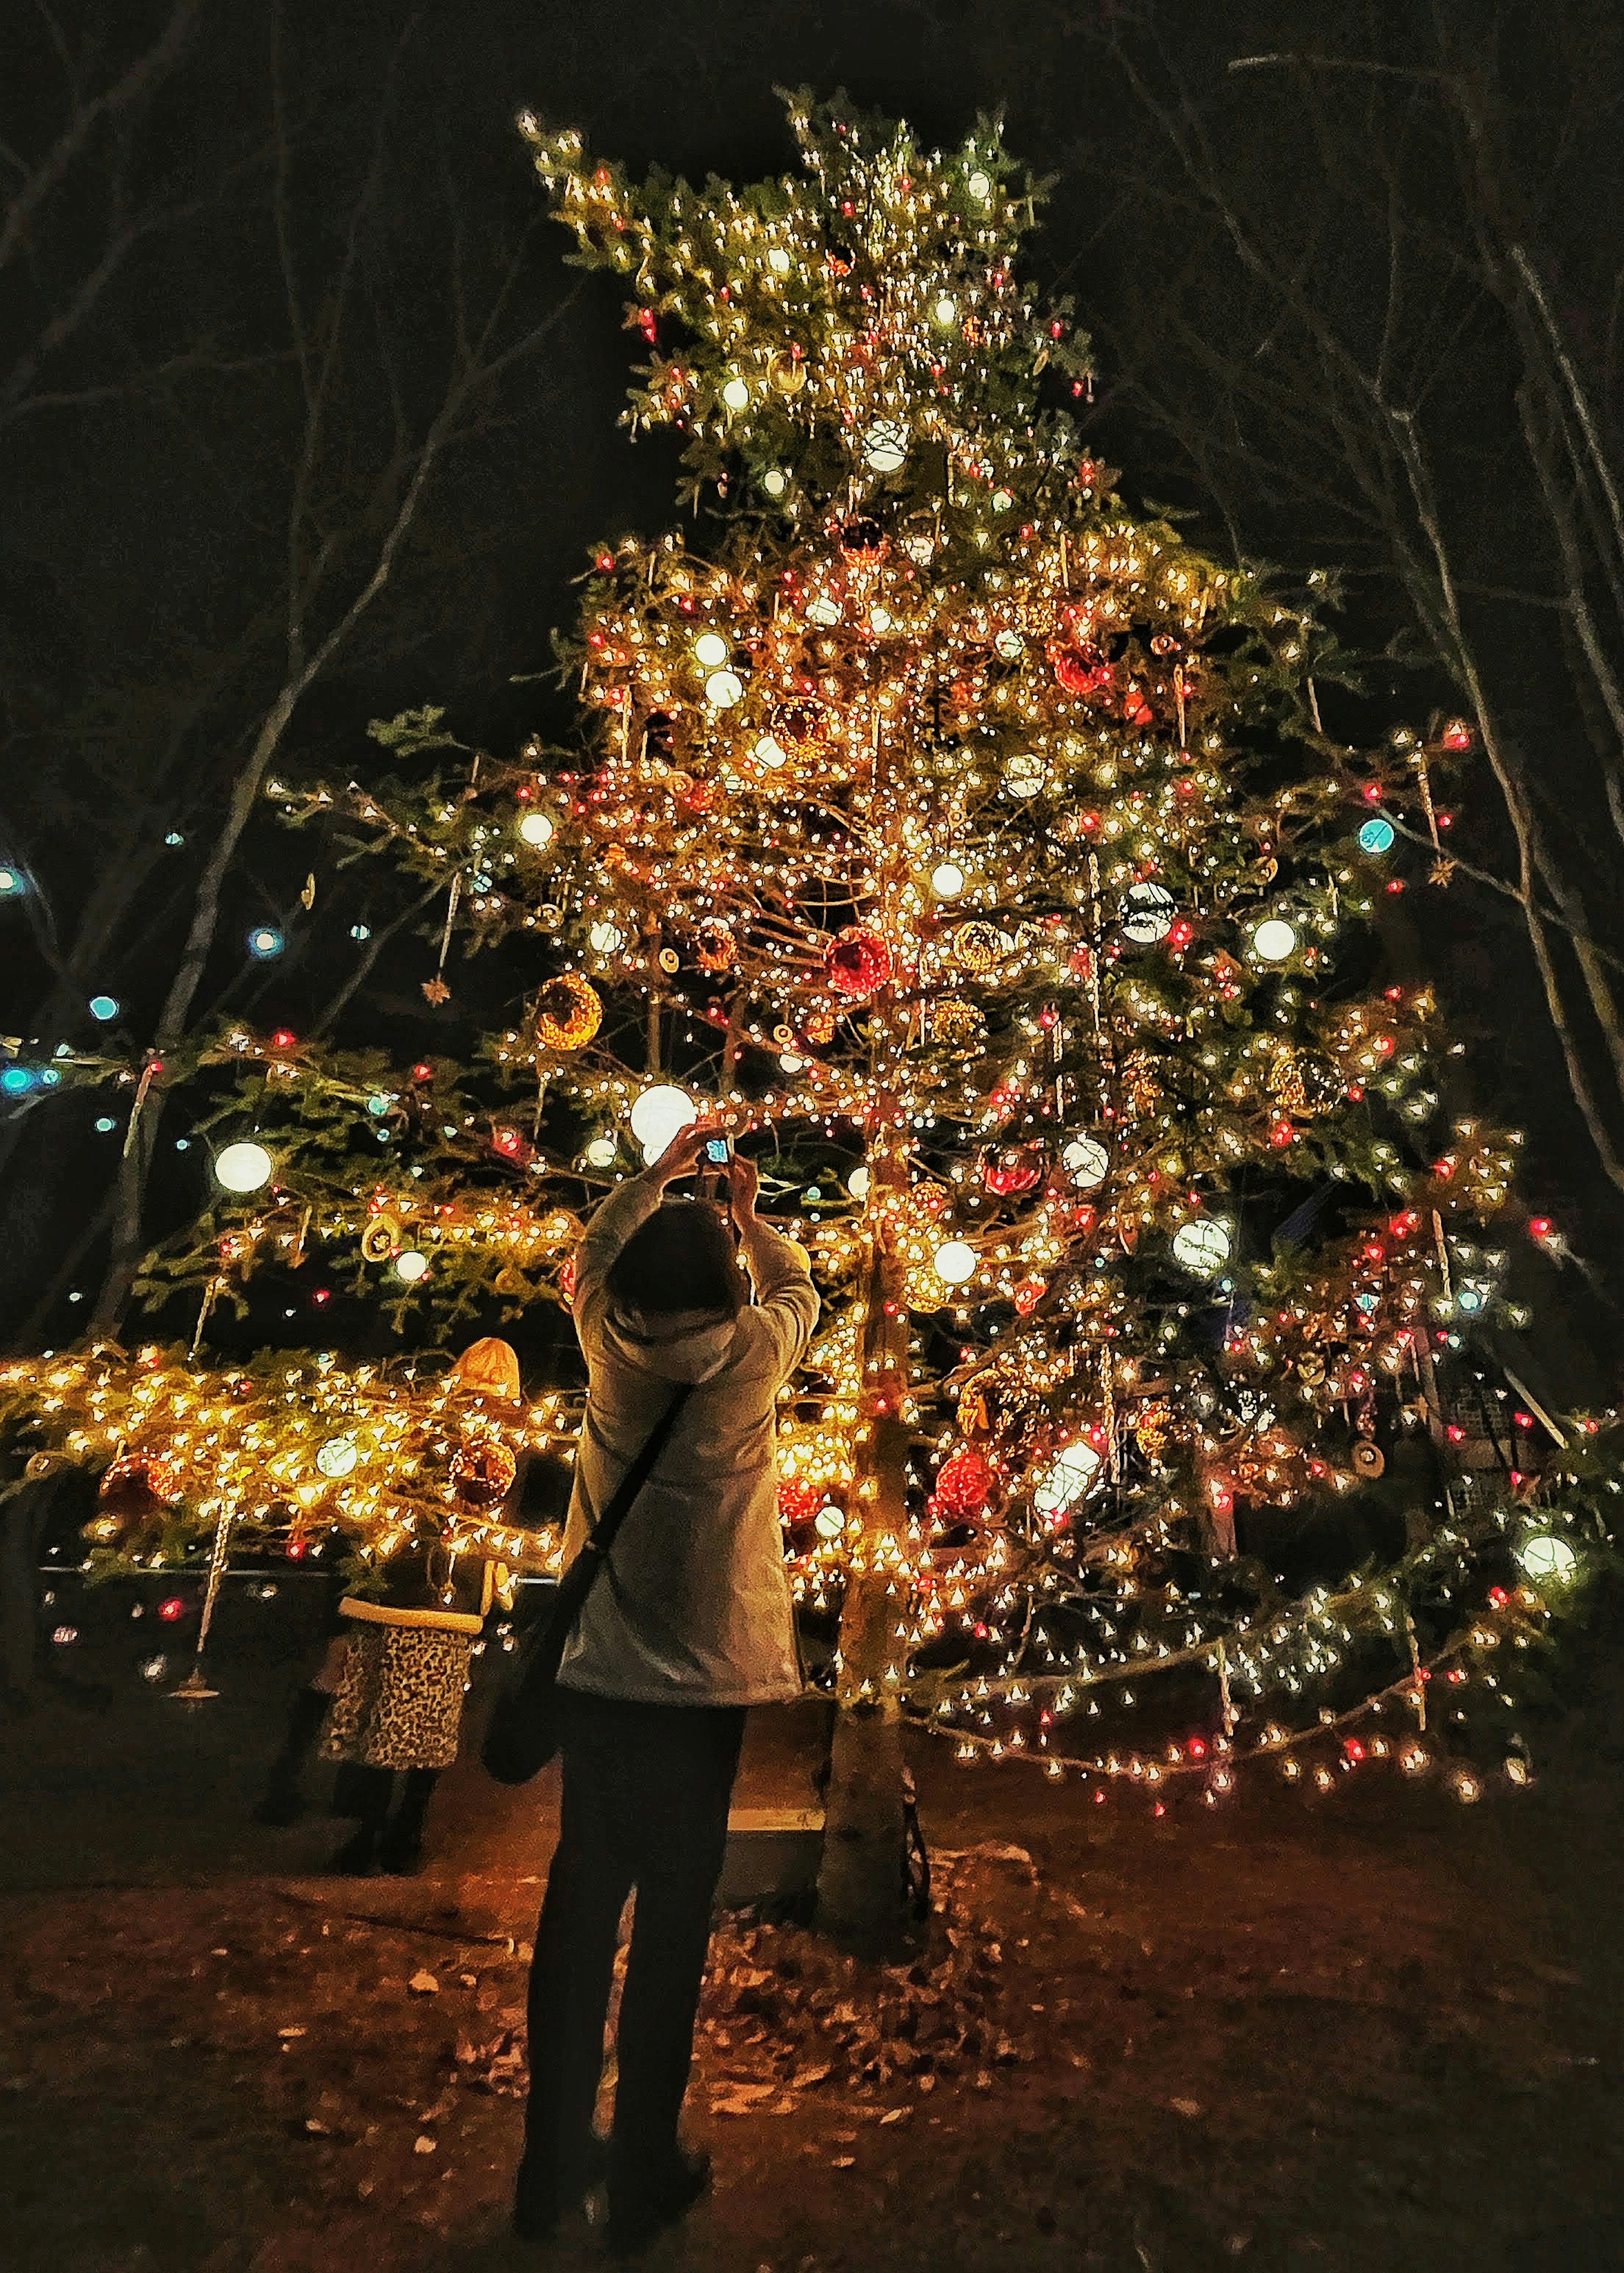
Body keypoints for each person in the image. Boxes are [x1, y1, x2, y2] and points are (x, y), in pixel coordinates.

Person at [515, 1124, 817, 2257]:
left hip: (601, 1679)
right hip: (706, 1698)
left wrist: (658, 1172)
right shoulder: (751, 1354)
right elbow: (802, 1284)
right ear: (724, 1282)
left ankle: (547, 2168)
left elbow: (592, 1249)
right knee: (674, 1930)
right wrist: (747, 1211)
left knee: (579, 1912)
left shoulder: (606, 1339)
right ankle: (643, 2168)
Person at [318, 1336, 526, 1875]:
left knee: (393, 1723)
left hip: (411, 1597)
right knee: (413, 1725)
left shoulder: (434, 1432)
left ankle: (383, 1834)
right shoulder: (495, 1445)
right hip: (435, 1602)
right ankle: (394, 1835)